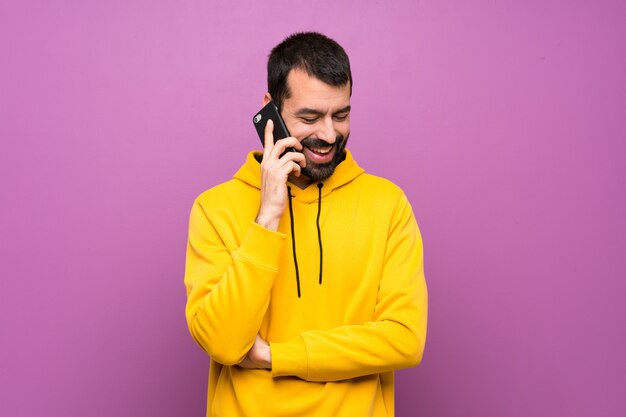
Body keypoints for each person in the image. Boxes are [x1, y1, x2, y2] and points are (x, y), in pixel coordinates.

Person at [184, 32, 428, 417]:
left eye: (341, 115)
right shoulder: (215, 209)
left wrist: (276, 356)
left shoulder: (388, 205)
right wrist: (266, 218)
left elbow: (404, 340)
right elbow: (223, 343)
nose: (329, 135)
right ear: (272, 109)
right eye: (310, 117)